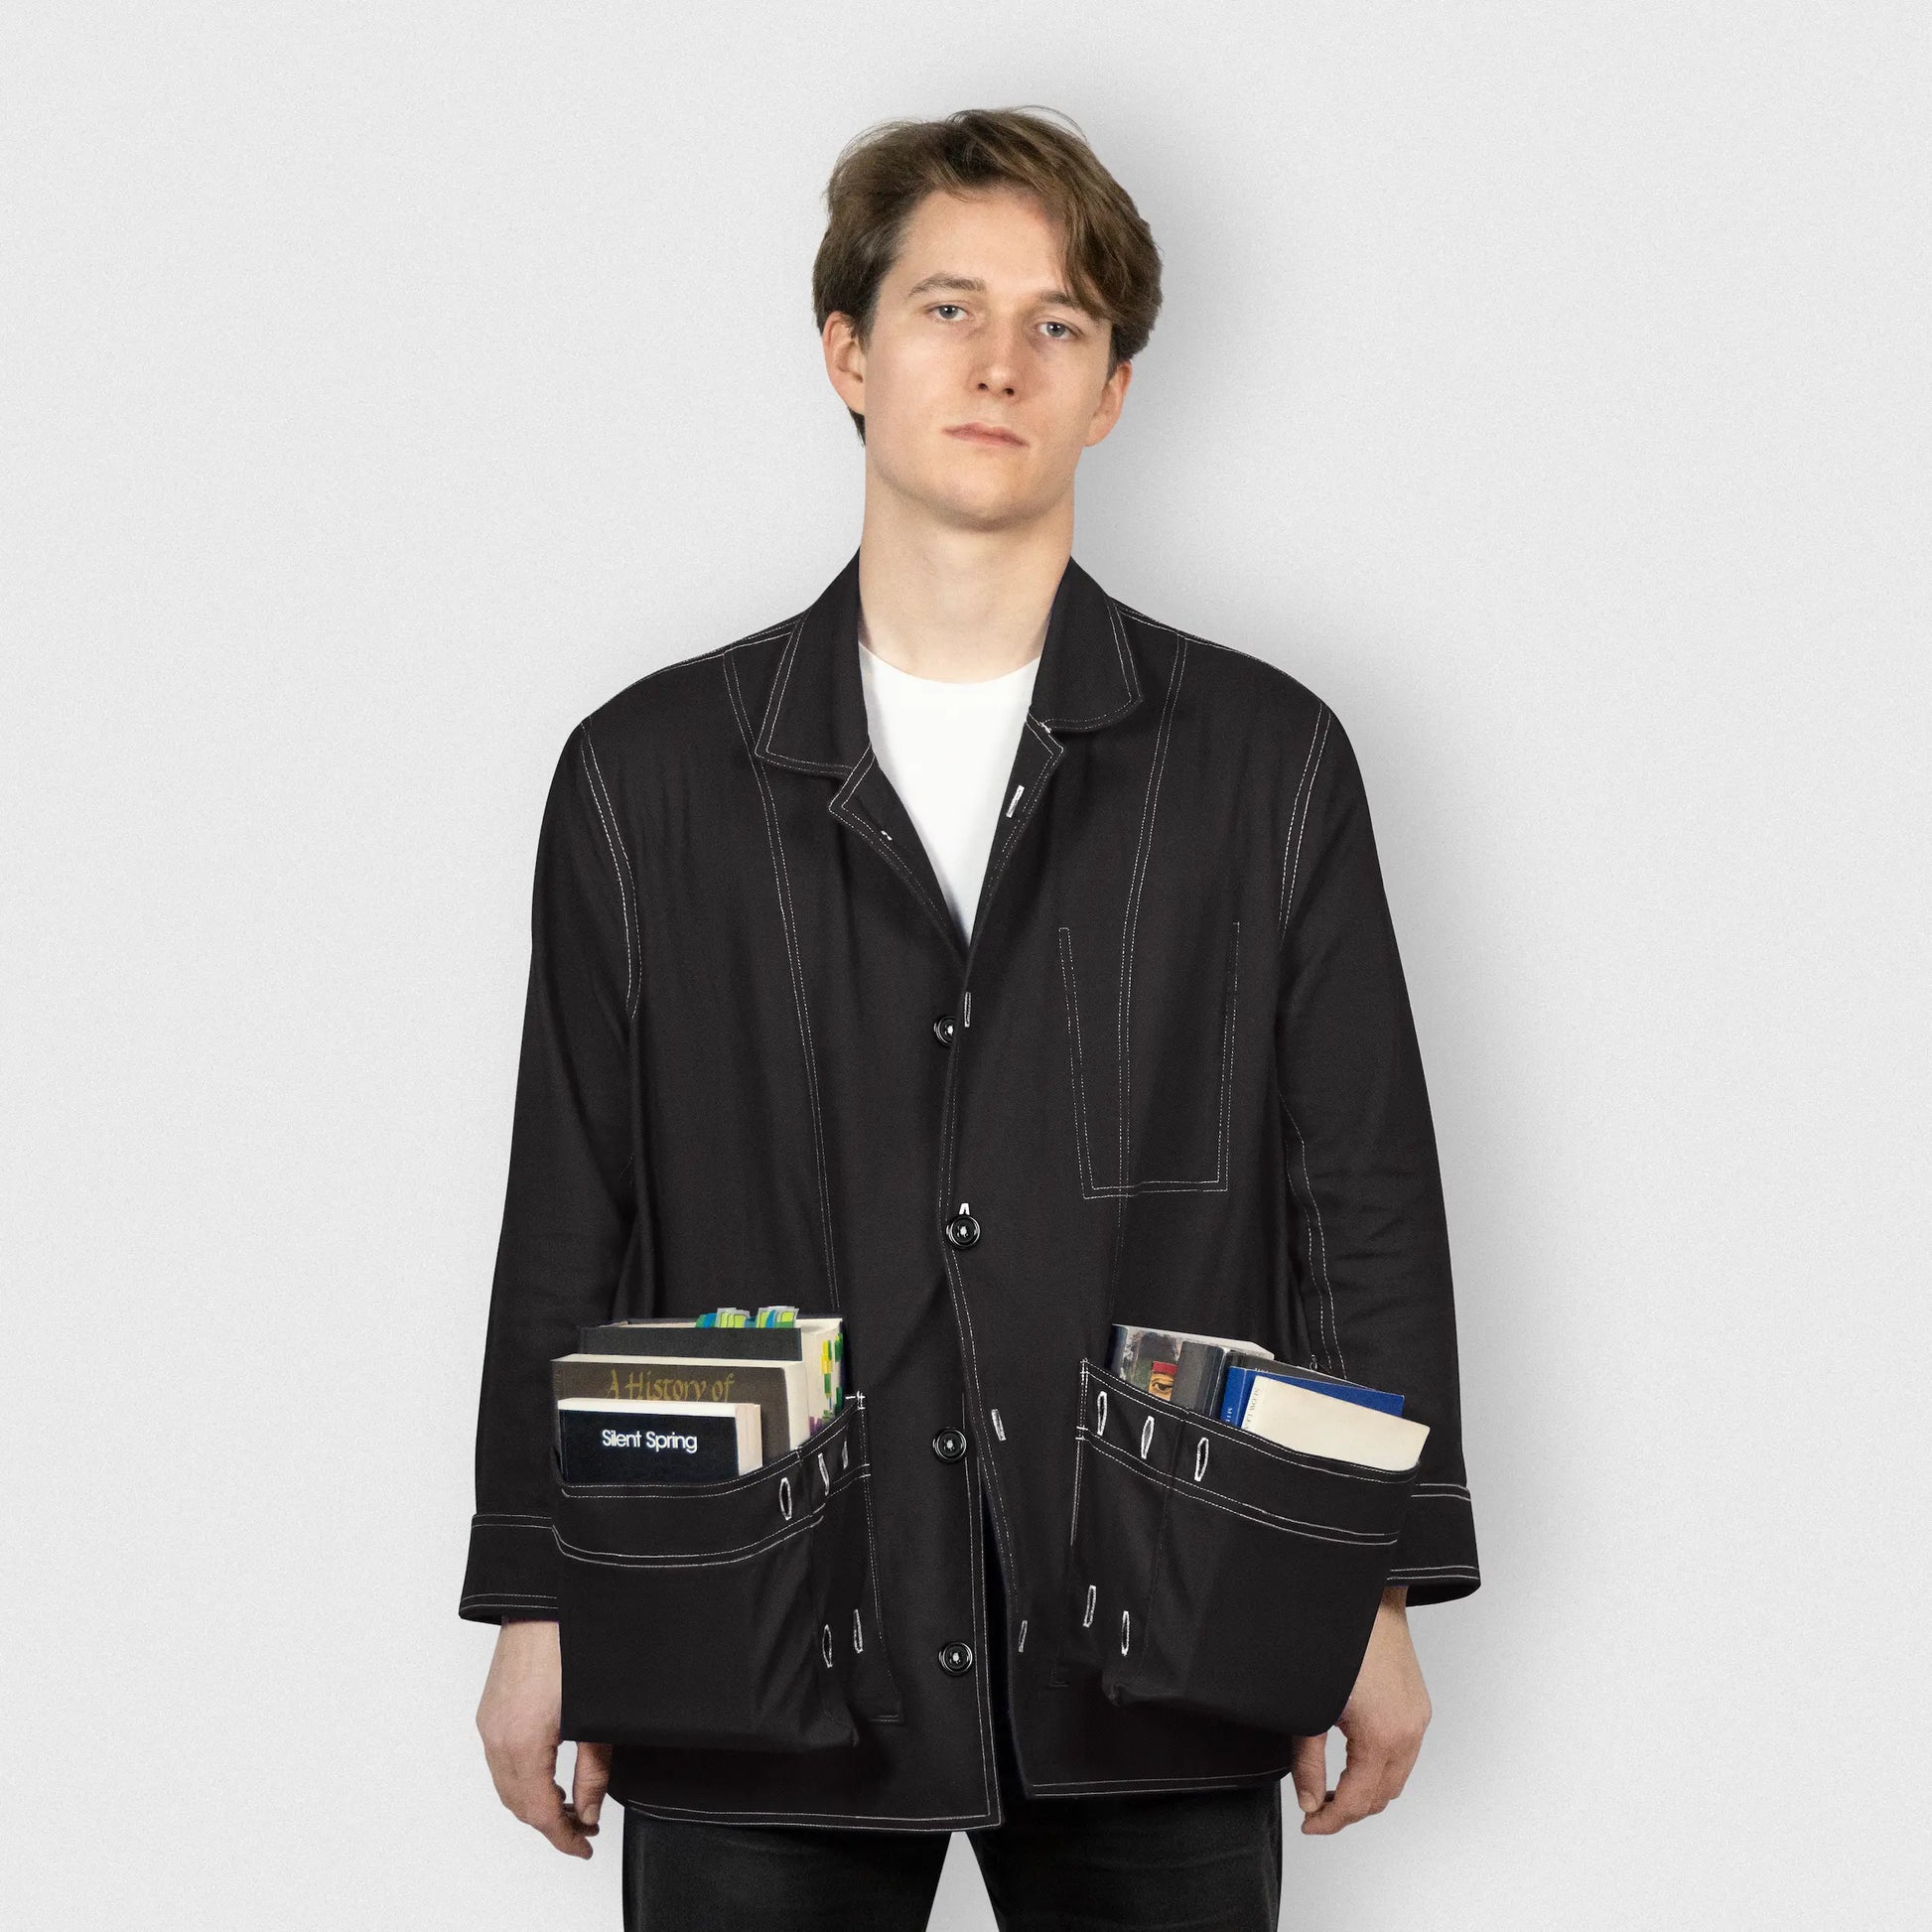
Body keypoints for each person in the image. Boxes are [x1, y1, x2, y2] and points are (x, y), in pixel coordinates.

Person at [463, 106, 1479, 1931]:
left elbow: (1360, 1197)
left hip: (1158, 1625)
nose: (1000, 361)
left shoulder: (1263, 762)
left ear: (1110, 392)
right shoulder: (647, 774)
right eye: (947, 308)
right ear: (847, 353)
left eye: (1056, 322)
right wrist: (540, 1597)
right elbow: (571, 1208)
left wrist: (1377, 1581)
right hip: (757, 1627)